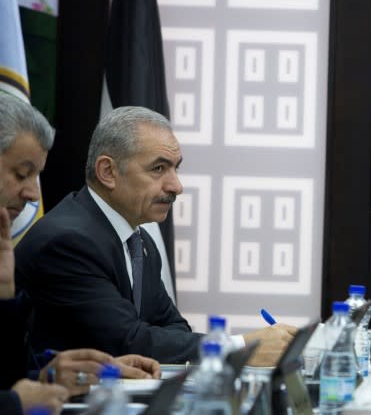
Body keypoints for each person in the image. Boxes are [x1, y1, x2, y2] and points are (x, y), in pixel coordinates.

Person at [15, 105, 297, 367]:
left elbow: (173, 328)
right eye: (159, 169)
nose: (176, 186)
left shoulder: (140, 241)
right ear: (108, 171)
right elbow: (126, 341)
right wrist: (239, 347)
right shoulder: (67, 242)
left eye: (176, 168)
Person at [0, 92, 160, 414]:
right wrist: (15, 404)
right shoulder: (68, 241)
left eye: (36, 176)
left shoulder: (142, 243)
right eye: (21, 173)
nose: (33, 194)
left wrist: (47, 374)